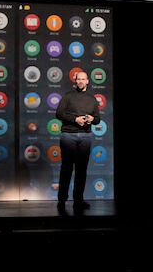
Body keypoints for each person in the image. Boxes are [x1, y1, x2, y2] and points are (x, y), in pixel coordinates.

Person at [55, 71, 100, 211]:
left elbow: (98, 119)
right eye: (78, 79)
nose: (80, 81)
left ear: (87, 81)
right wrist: (75, 119)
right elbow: (59, 114)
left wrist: (92, 119)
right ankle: (62, 200)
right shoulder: (68, 96)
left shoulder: (92, 99)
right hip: (69, 135)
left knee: (81, 169)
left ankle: (78, 200)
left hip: (85, 136)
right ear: (75, 81)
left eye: (83, 79)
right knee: (67, 168)